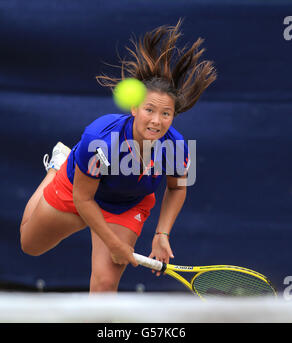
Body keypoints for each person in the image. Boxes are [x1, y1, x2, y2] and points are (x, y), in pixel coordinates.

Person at [19, 19, 216, 292]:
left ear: (173, 116)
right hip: (78, 190)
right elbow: (83, 197)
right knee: (30, 245)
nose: (157, 121)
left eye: (166, 114)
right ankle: (56, 167)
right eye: (149, 110)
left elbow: (177, 189)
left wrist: (162, 233)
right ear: (135, 108)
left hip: (126, 205)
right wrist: (113, 243)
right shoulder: (100, 138)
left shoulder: (178, 146)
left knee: (105, 284)